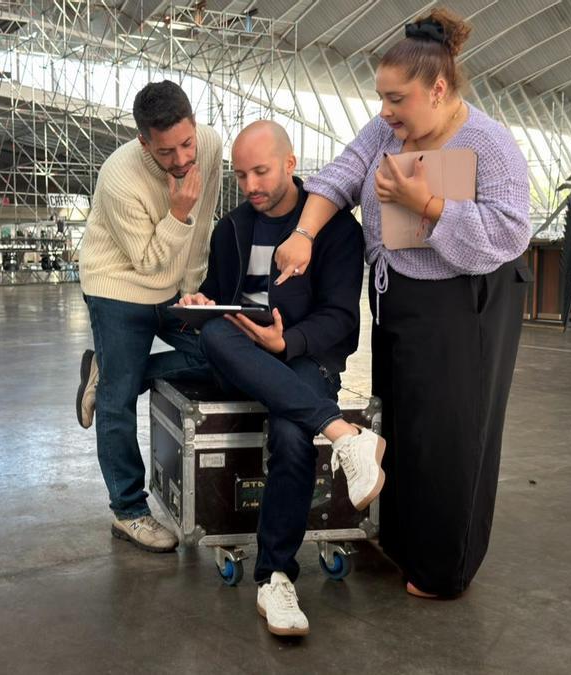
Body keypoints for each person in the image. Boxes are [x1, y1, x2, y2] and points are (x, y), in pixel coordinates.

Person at [273, 8, 531, 599]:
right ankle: (401, 541)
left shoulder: (489, 143)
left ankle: (444, 567)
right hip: (399, 294)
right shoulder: (386, 131)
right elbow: (342, 174)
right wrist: (305, 233)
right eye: (381, 99)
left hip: (466, 301)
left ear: (438, 90)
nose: (386, 112)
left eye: (397, 99)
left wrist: (428, 205)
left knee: (451, 432)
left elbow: (511, 231)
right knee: (403, 423)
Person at [177, 121, 381, 637]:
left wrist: (285, 343)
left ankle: (275, 578)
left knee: (292, 437)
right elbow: (219, 294)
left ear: (291, 164)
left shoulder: (335, 229)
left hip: (304, 357)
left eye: (261, 172)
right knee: (216, 333)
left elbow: (342, 320)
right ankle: (344, 434)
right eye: (241, 175)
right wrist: (202, 301)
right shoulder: (232, 228)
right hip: (242, 356)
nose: (250, 186)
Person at [74, 81, 224, 553]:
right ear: (144, 142)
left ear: (194, 125)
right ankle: (129, 511)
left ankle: (107, 372)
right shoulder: (119, 177)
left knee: (224, 354)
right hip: (118, 286)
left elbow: (202, 227)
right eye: (166, 152)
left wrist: (193, 293)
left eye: (186, 144)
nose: (181, 160)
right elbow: (148, 263)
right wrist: (178, 212)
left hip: (173, 288)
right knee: (118, 403)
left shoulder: (209, 147)